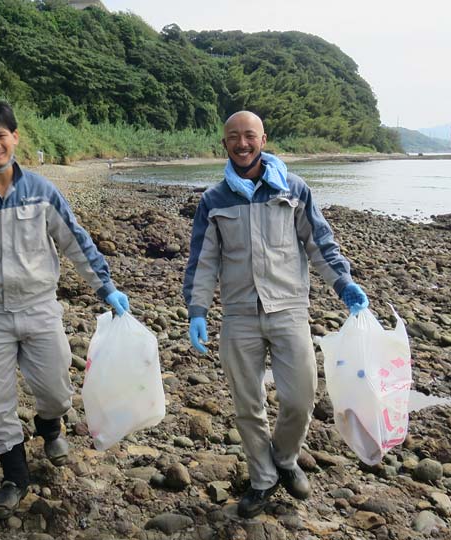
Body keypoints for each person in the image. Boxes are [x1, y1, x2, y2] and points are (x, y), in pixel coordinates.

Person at [0, 101, 130, 519]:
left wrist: (105, 287)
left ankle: (50, 425)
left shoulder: (42, 191)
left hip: (40, 307)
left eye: (1, 136)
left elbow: (75, 241)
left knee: (56, 390)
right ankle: (14, 478)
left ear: (15, 138)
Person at [182, 111, 369, 519]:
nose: (242, 143)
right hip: (239, 316)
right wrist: (197, 309)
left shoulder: (293, 189)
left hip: (289, 311)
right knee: (247, 405)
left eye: (250, 135)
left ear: (263, 139)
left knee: (301, 399)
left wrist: (343, 283)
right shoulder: (214, 201)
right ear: (225, 144)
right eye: (234, 137)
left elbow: (319, 242)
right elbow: (203, 260)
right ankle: (262, 477)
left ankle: (285, 459)